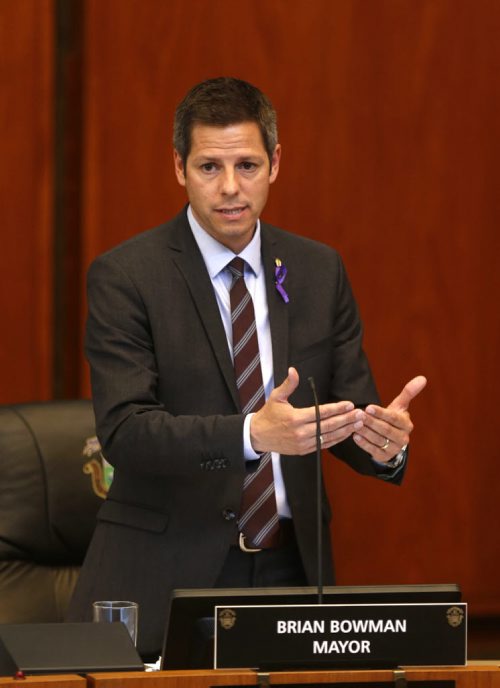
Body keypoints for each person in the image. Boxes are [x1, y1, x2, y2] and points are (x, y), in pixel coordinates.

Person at [67, 77, 426, 658]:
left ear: (275, 163)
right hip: (170, 573)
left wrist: (383, 445)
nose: (231, 188)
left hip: (292, 572)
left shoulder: (317, 270)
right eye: (209, 167)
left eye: (248, 166)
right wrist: (251, 434)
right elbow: (126, 431)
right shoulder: (127, 276)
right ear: (179, 167)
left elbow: (345, 415)